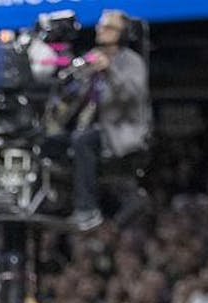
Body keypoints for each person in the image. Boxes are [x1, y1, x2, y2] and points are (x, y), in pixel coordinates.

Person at [61, 9, 149, 229]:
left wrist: (109, 71)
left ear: (122, 33)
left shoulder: (131, 62)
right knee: (51, 141)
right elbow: (76, 93)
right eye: (100, 26)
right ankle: (57, 201)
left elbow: (132, 96)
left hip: (120, 131)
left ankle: (87, 208)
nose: (101, 30)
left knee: (83, 141)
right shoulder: (92, 58)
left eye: (108, 27)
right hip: (92, 126)